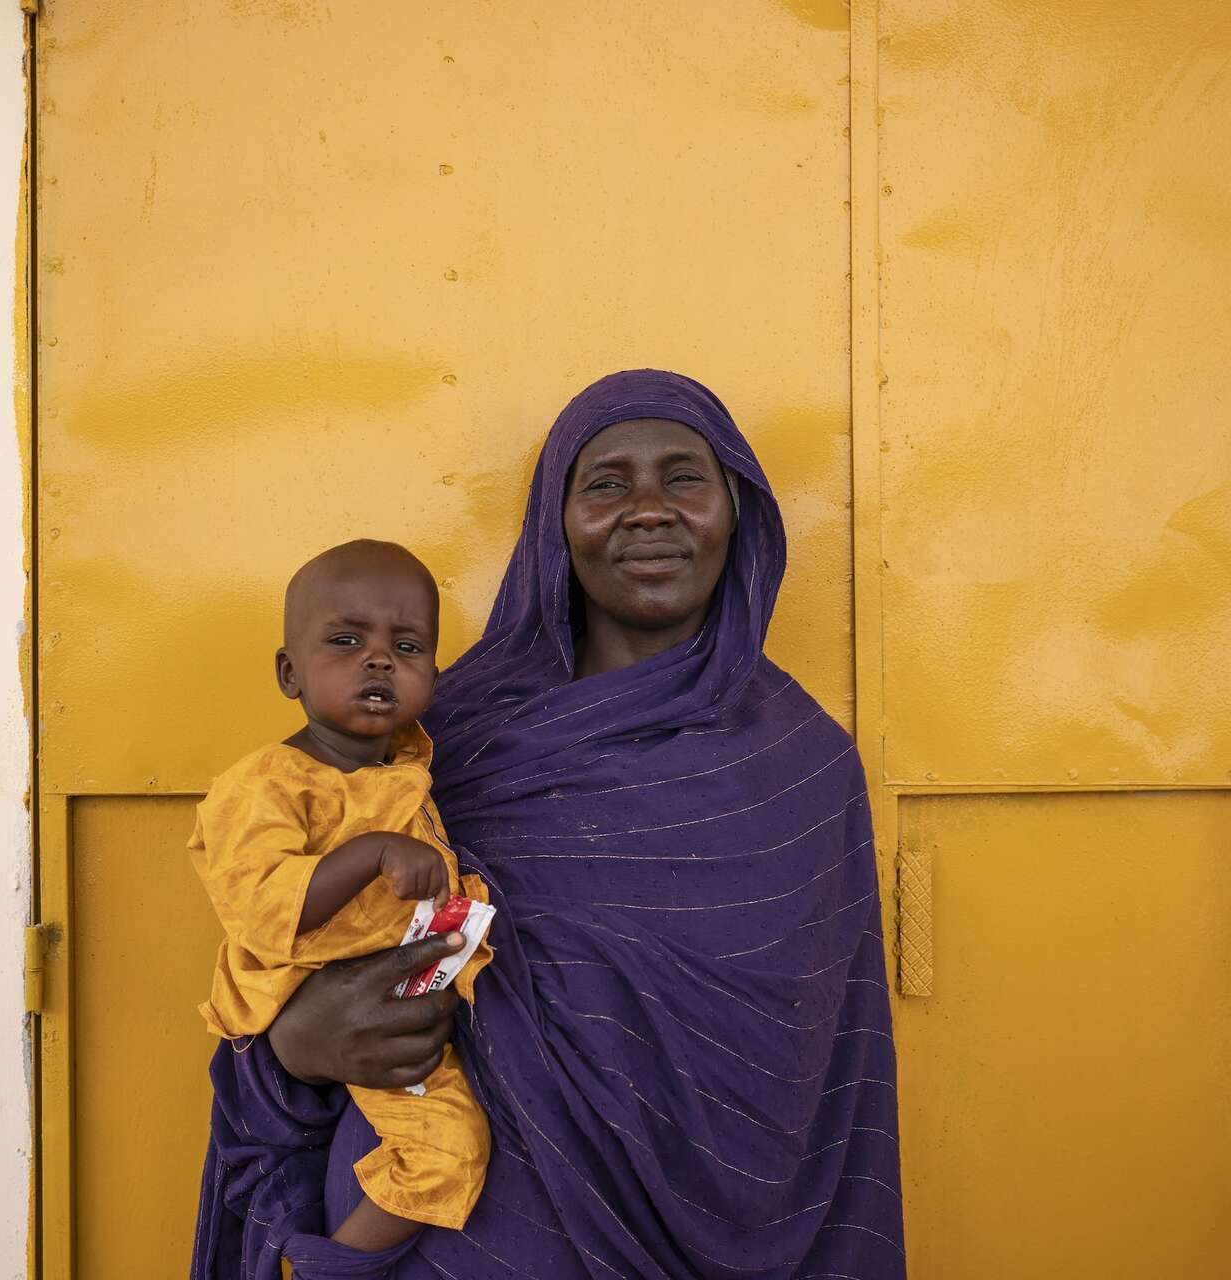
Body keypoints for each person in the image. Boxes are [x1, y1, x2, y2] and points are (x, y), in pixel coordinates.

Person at [191, 369, 905, 1280]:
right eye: (605, 482)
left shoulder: (800, 769)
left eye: (685, 477)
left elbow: (829, 1063)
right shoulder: (435, 742)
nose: (648, 509)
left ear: (739, 514)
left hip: (738, 1224)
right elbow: (277, 933)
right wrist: (293, 1043)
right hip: (461, 1237)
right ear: (552, 525)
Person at [189, 540, 494, 1258]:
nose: (380, 659)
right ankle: (331, 1269)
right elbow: (263, 914)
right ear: (289, 673)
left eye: (408, 645)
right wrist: (370, 854)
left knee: (459, 1145)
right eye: (347, 640)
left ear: (433, 678)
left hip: (409, 1004)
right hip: (320, 1014)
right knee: (449, 1152)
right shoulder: (264, 784)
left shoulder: (410, 769)